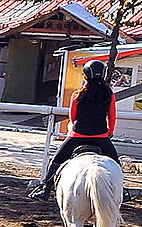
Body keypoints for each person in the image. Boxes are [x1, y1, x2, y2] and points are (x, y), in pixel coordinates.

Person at [33, 60, 121, 199]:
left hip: (77, 135)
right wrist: (109, 132)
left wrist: (77, 129)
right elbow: (112, 116)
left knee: (55, 161)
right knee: (116, 163)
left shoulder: (77, 94)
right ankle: (123, 191)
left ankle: (45, 190)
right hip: (101, 137)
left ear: (85, 75)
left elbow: (72, 117)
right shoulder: (109, 95)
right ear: (103, 76)